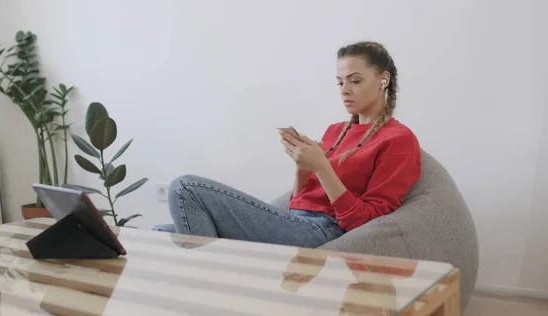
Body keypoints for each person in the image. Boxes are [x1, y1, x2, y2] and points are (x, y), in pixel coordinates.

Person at [152, 41, 422, 249]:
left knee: (185, 187)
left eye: (355, 80)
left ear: (383, 80)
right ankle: (220, 276)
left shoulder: (398, 139)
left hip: (322, 231)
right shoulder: (336, 131)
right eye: (340, 82)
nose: (344, 90)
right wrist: (302, 168)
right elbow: (297, 202)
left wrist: (323, 168)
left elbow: (366, 223)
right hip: (294, 220)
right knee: (159, 236)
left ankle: (214, 283)